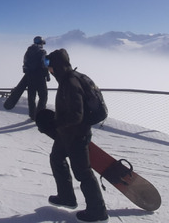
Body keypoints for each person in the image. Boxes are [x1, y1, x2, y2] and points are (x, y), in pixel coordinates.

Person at [41, 48, 109, 223]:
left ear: (56, 65)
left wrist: (55, 123)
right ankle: (66, 197)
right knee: (56, 158)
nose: (48, 68)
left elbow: (76, 115)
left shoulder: (70, 83)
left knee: (83, 173)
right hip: (67, 134)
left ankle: (98, 212)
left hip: (77, 135)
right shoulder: (71, 79)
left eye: (49, 64)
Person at [4, 36, 50, 120]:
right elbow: (44, 64)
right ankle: (40, 115)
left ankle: (32, 115)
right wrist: (47, 75)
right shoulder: (42, 52)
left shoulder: (28, 51)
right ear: (41, 43)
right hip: (40, 77)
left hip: (29, 77)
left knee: (31, 96)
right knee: (43, 96)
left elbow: (25, 63)